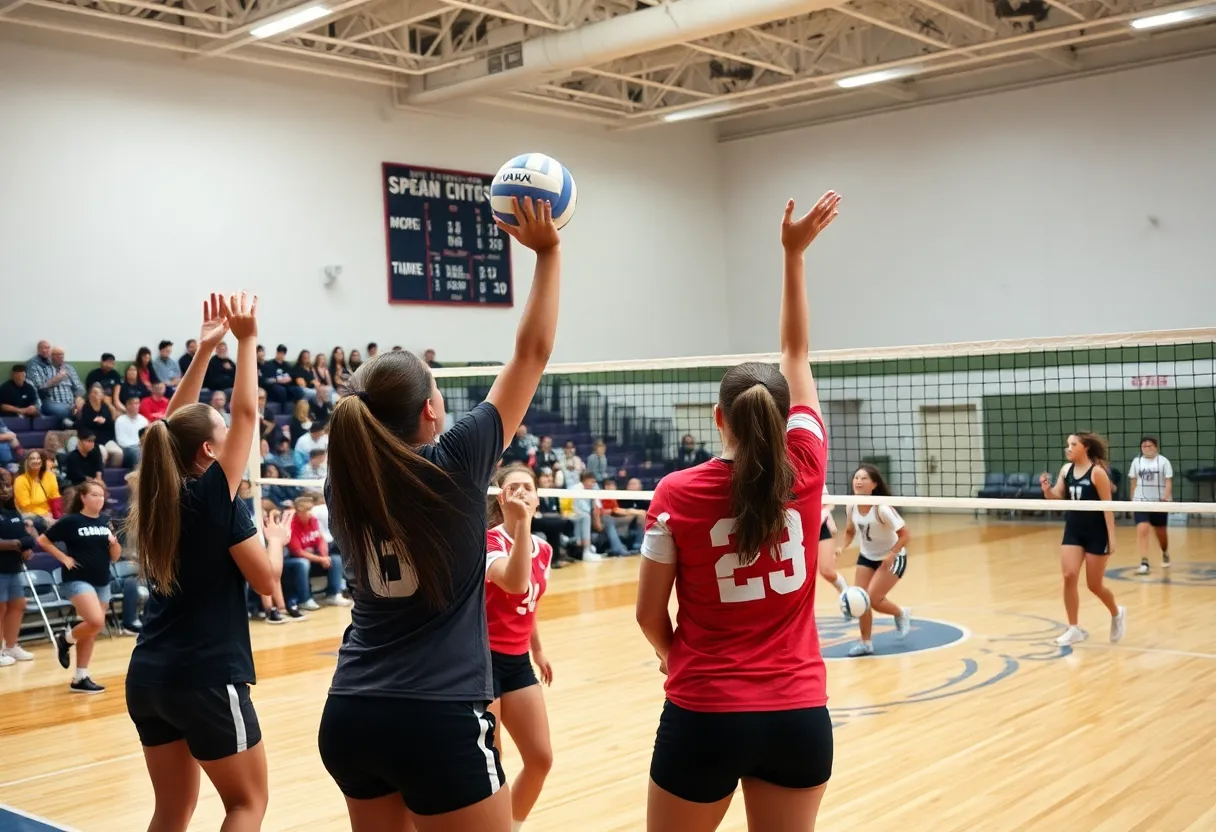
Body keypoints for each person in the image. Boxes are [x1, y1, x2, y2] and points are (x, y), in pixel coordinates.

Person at [317, 196, 561, 832]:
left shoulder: (342, 483)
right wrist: (549, 252)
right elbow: (531, 353)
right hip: (436, 716)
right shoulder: (454, 462)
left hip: (351, 711)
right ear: (429, 411)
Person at [634, 192, 840, 832]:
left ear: (718, 418)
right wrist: (793, 255)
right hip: (798, 716)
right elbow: (796, 355)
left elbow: (648, 614)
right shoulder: (807, 463)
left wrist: (677, 658)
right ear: (783, 422)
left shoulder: (674, 494)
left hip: (705, 713)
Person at [123, 292, 287, 832]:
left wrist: (204, 351)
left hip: (148, 676)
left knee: (171, 810)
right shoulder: (217, 498)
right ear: (211, 454)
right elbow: (245, 412)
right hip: (207, 677)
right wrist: (245, 341)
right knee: (247, 804)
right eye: (219, 434)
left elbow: (172, 430)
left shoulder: (155, 495)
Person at [484, 466, 555, 832]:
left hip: (517, 661)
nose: (522, 493)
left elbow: (530, 603)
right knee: (490, 763)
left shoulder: (544, 548)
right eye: (514, 488)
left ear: (538, 497)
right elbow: (513, 583)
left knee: (540, 758)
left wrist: (538, 650)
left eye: (529, 487)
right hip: (483, 663)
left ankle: (509, 826)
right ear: (501, 498)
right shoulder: (490, 542)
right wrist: (522, 524)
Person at [1040, 432, 1126, 647]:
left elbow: (1108, 507)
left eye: (1073, 444)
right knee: (1069, 576)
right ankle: (1073, 628)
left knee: (1094, 585)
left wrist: (1111, 538)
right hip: (1074, 530)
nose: (1068, 447)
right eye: (1067, 444)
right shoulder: (1065, 470)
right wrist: (1046, 490)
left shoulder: (1097, 473)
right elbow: (1057, 496)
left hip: (1097, 533)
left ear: (1085, 447)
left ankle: (1117, 613)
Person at [37, 480, 120, 693]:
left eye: (101, 495)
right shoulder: (71, 521)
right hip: (77, 579)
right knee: (95, 621)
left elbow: (115, 557)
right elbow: (43, 541)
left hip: (102, 579)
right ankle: (64, 640)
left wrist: (114, 542)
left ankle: (80, 677)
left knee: (91, 629)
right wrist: (63, 557)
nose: (99, 499)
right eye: (94, 495)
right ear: (83, 497)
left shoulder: (105, 521)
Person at [840, 465, 911, 656]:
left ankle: (900, 613)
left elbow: (905, 535)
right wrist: (842, 547)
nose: (858, 481)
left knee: (873, 598)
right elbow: (849, 531)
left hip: (893, 557)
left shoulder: (882, 508)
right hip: (867, 556)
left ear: (874, 485)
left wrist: (892, 553)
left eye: (863, 478)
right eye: (856, 478)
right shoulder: (851, 505)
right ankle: (865, 643)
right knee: (861, 599)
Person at [0, 469, 36, 665]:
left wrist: (25, 549)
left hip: (14, 566)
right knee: (0, 607)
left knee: (17, 605)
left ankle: (11, 646)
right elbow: (15, 540)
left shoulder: (12, 510)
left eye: (7, 485)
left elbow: (23, 536)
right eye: (1, 486)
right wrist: (16, 544)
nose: (6, 490)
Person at [1129, 436, 1173, 575]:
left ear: (1156, 447)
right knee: (1143, 529)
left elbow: (1168, 481)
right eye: (1144, 446)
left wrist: (1166, 498)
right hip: (1140, 502)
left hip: (1158, 503)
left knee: (1161, 533)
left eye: (1150, 446)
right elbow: (1133, 481)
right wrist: (1132, 500)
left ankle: (1165, 552)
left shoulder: (1163, 461)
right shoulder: (1137, 462)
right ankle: (1144, 562)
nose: (1147, 449)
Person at [817, 487, 848, 596]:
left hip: (818, 523)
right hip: (793, 527)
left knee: (826, 571)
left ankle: (847, 595)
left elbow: (826, 503)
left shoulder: (812, 473)